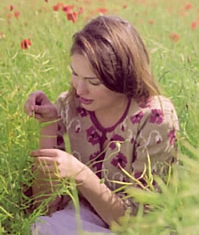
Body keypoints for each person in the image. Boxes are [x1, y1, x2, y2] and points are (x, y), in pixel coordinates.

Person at [24, 15, 179, 235]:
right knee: (42, 226)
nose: (79, 90)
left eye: (94, 82)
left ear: (124, 77)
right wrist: (49, 125)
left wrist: (82, 175)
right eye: (75, 75)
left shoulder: (156, 118)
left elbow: (141, 225)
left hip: (136, 228)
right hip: (83, 221)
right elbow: (43, 208)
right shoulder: (69, 107)